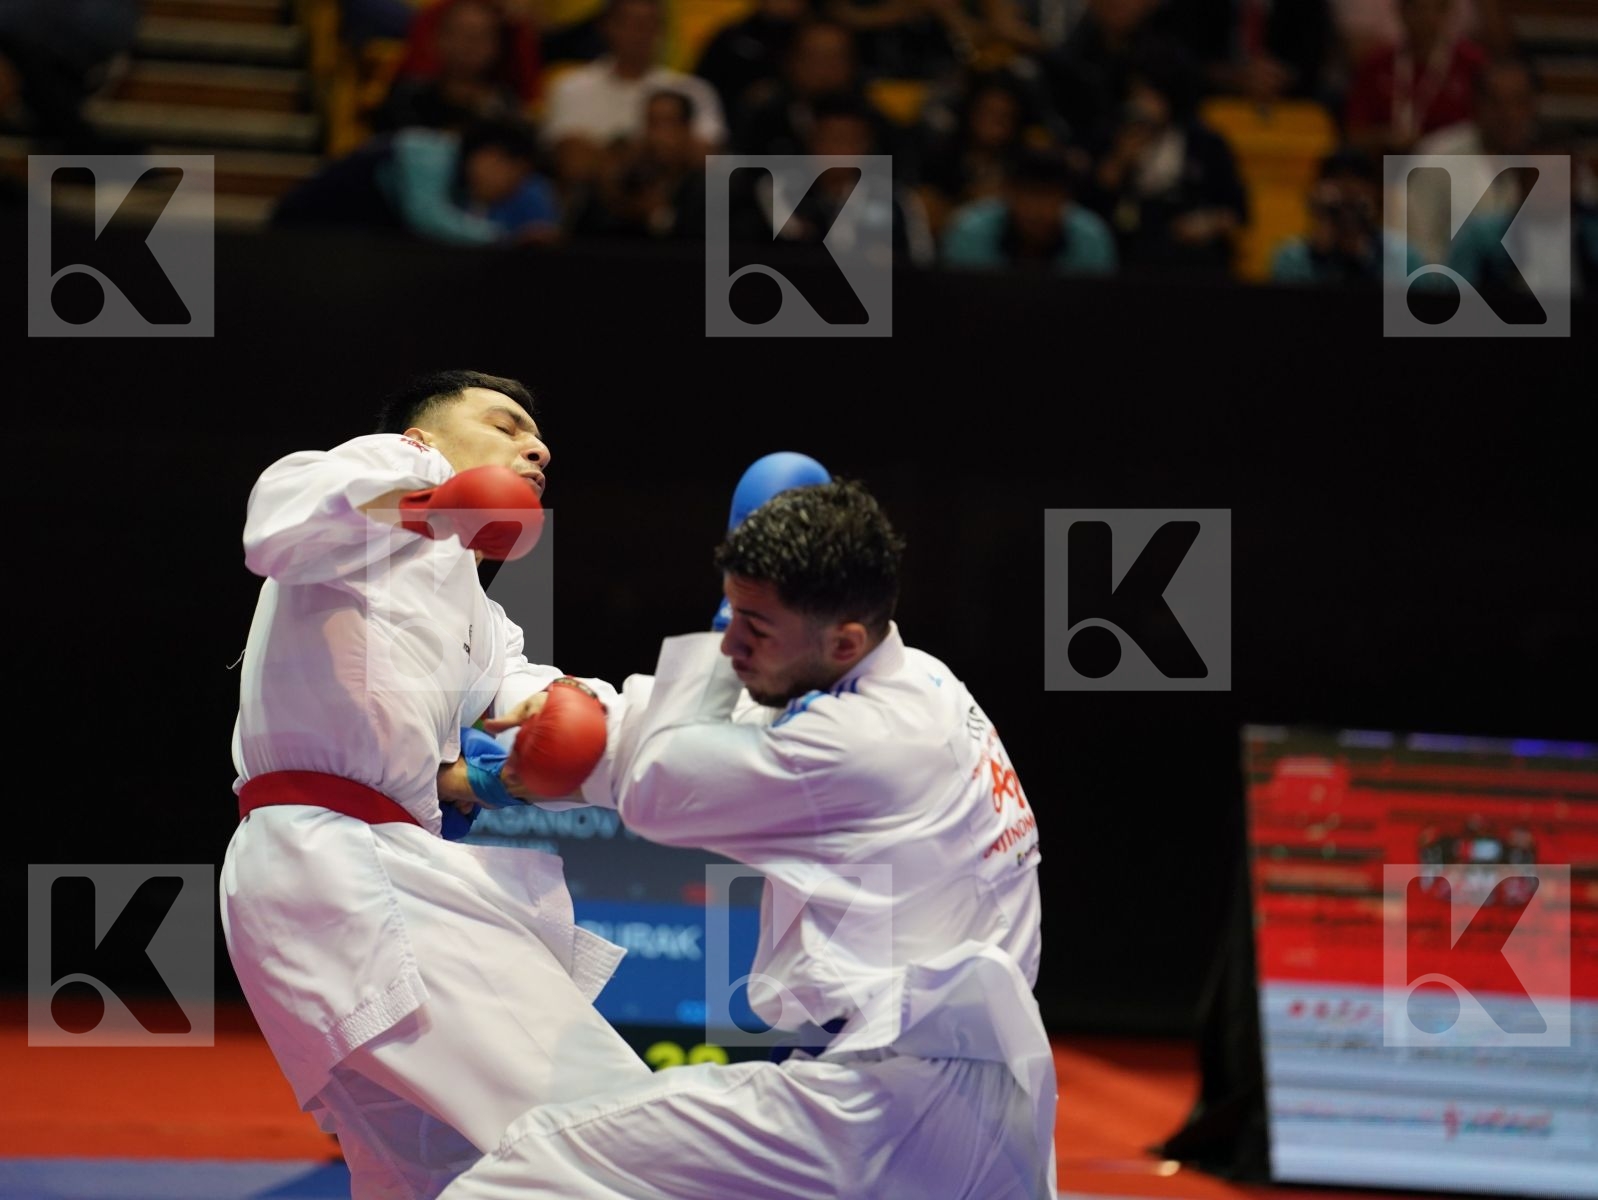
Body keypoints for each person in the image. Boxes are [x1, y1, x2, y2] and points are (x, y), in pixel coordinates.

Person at [436, 479, 1057, 1199]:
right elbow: (728, 729)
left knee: (530, 1171)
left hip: (889, 1107)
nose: (729, 641)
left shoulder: (858, 748)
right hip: (977, 1096)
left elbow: (658, 779)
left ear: (846, 639)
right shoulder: (923, 682)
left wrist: (515, 736)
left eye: (752, 626)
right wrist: (565, 704)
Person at [220, 370, 653, 1199]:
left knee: (444, 1172)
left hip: (348, 870)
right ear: (424, 436)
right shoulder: (384, 475)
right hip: (342, 863)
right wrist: (431, 497)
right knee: (616, 1131)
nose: (538, 447)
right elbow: (274, 525)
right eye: (506, 425)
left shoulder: (480, 617)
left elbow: (543, 704)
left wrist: (575, 733)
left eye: (540, 440)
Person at [943, 143, 1118, 274]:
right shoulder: (968, 233)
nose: (1038, 210)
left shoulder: (1092, 239)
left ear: (1066, 198)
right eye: (1030, 195)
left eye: (1049, 196)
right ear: (1008, 194)